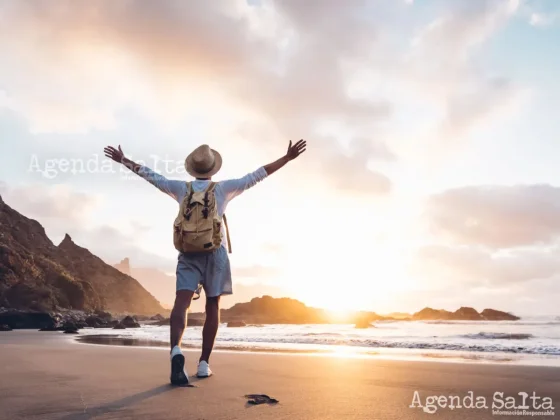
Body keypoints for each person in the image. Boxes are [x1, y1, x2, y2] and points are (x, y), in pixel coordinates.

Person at [103, 140, 307, 385]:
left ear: (193, 169)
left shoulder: (180, 188)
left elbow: (151, 176)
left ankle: (176, 350)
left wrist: (124, 160)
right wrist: (286, 158)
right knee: (212, 305)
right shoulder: (223, 189)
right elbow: (257, 175)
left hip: (188, 253)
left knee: (182, 302)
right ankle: (203, 364)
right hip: (215, 253)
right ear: (212, 169)